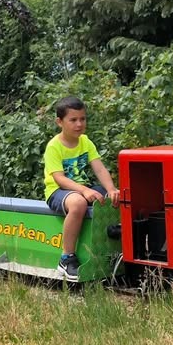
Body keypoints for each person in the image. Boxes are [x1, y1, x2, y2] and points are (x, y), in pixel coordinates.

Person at [43, 96, 119, 281]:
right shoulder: (54, 146)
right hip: (57, 191)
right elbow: (59, 179)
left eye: (82, 119)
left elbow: (99, 168)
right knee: (78, 203)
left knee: (112, 198)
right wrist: (84, 191)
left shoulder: (85, 141)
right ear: (59, 122)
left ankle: (113, 251)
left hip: (81, 188)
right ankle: (66, 257)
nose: (79, 124)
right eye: (73, 120)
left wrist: (111, 189)